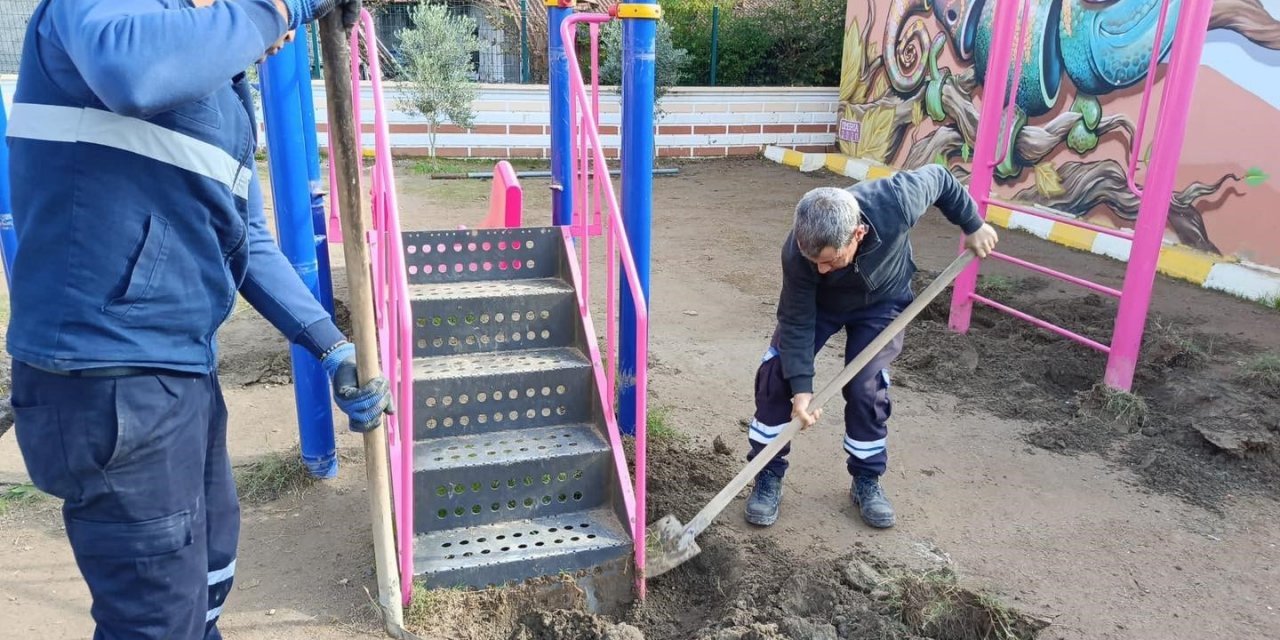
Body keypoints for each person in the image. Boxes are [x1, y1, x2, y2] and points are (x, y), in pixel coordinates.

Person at [4, 0, 385, 638]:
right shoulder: (111, 21)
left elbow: (246, 239)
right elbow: (132, 70)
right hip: (110, 379)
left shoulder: (221, 98)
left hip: (179, 374)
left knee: (205, 581)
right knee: (155, 619)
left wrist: (328, 343)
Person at [744, 165, 998, 530]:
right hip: (820, 307)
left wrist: (972, 224)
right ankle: (767, 473)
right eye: (815, 262)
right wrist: (802, 390)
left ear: (858, 234)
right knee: (777, 375)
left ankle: (867, 478)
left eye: (831, 260)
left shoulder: (895, 200)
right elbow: (798, 322)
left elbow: (942, 179)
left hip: (883, 301)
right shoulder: (800, 256)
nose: (822, 270)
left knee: (866, 385)